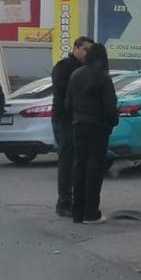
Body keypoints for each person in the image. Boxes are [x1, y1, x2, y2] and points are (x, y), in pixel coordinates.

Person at [65, 43, 119, 224]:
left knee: (79, 167)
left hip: (78, 125)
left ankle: (77, 212)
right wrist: (112, 123)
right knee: (94, 170)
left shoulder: (76, 75)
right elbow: (110, 107)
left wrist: (76, 118)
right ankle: (91, 212)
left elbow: (68, 104)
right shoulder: (103, 78)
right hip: (98, 128)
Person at [51, 36, 94, 217]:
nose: (87, 54)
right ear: (76, 48)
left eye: (90, 51)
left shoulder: (89, 70)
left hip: (82, 120)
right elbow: (63, 91)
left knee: (80, 162)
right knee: (68, 161)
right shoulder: (64, 67)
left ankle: (79, 200)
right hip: (66, 119)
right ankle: (64, 202)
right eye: (84, 49)